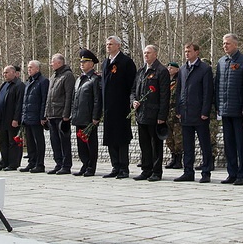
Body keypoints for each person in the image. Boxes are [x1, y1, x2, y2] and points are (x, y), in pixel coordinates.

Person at [214, 33, 243, 186]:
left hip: (239, 111)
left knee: (240, 144)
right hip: (225, 109)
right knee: (228, 143)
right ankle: (231, 173)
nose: (225, 46)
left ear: (236, 45)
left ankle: (241, 174)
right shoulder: (221, 62)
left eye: (228, 43)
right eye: (224, 43)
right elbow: (217, 85)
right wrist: (218, 105)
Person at [174, 43, 214, 183]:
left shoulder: (204, 69)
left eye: (189, 51)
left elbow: (208, 92)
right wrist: (178, 109)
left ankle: (206, 171)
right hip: (185, 113)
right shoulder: (183, 69)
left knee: (204, 144)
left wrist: (205, 111)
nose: (187, 53)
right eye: (185, 51)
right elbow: (179, 91)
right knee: (187, 145)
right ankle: (188, 171)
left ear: (197, 52)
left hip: (199, 113)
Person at [131, 45, 170, 182]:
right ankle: (146, 170)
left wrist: (162, 116)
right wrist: (134, 101)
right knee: (144, 144)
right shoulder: (141, 71)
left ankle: (156, 171)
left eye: (148, 53)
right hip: (141, 114)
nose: (146, 55)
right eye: (144, 53)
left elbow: (165, 95)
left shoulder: (161, 71)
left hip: (154, 115)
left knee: (155, 145)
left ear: (155, 54)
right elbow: (133, 90)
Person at [100, 35, 137, 179]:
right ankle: (115, 166)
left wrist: (129, 102)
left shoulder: (126, 62)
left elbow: (131, 84)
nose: (108, 46)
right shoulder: (105, 62)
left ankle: (124, 167)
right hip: (108, 107)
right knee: (110, 138)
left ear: (118, 46)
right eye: (107, 44)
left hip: (121, 106)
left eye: (111, 44)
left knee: (121, 138)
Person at [71, 49, 103, 176]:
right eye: (81, 62)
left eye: (85, 62)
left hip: (89, 117)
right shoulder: (79, 79)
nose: (82, 64)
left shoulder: (95, 79)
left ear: (92, 64)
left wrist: (95, 116)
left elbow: (97, 99)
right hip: (79, 116)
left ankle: (91, 167)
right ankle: (84, 164)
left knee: (91, 143)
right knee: (81, 143)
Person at [44, 53, 74, 175]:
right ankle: (58, 163)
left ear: (59, 63)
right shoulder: (53, 76)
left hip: (61, 114)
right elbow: (49, 96)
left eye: (53, 61)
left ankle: (66, 165)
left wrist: (66, 115)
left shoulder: (68, 76)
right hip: (52, 114)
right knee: (54, 141)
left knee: (64, 141)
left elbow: (69, 97)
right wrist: (46, 113)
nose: (51, 64)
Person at [0, 65, 25, 171]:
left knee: (13, 142)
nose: (4, 74)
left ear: (14, 73)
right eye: (4, 73)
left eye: (6, 72)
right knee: (3, 142)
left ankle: (13, 163)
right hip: (3, 118)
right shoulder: (4, 85)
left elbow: (19, 104)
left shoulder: (19, 85)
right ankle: (3, 162)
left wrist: (16, 119)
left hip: (12, 119)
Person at [20, 60, 50, 173]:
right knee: (30, 142)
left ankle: (40, 164)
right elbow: (25, 101)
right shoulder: (28, 82)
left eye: (31, 67)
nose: (29, 69)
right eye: (28, 67)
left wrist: (43, 116)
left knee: (38, 141)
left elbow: (44, 100)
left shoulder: (43, 81)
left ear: (37, 69)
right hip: (28, 116)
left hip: (37, 117)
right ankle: (31, 162)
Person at [164, 62, 183, 170]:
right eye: (168, 68)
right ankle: (173, 157)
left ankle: (178, 159)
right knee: (169, 137)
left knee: (178, 137)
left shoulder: (179, 81)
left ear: (177, 70)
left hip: (176, 111)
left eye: (172, 68)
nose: (169, 69)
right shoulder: (166, 81)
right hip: (167, 112)